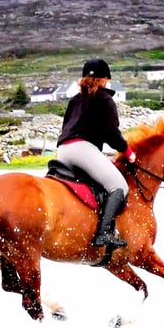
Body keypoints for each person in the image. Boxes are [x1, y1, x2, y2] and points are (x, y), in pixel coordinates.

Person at [55, 58, 135, 249]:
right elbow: (110, 132)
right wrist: (128, 151)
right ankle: (104, 233)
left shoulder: (75, 100)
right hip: (82, 150)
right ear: (106, 79)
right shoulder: (105, 99)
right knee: (118, 186)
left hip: (62, 151)